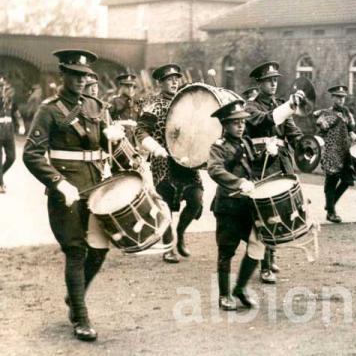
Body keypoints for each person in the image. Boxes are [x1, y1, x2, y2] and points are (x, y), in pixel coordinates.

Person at [22, 49, 125, 341]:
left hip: (96, 187)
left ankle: (74, 295)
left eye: (85, 76)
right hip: (66, 191)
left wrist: (113, 135)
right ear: (63, 75)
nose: (81, 80)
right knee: (76, 250)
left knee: (101, 247)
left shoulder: (94, 106)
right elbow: (31, 153)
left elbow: (106, 145)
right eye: (75, 75)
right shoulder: (50, 109)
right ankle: (80, 317)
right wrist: (57, 181)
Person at [134, 63, 203, 264]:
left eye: (176, 78)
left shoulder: (185, 103)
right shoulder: (152, 103)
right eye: (169, 79)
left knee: (196, 198)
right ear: (161, 82)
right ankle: (169, 244)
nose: (174, 82)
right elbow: (140, 131)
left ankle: (180, 234)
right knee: (165, 202)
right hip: (163, 160)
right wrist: (155, 148)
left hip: (186, 160)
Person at [245, 61, 304, 284]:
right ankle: (264, 265)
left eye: (275, 80)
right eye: (268, 81)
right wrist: (289, 105)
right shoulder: (250, 107)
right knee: (264, 213)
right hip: (262, 164)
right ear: (259, 83)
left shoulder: (280, 104)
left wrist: (304, 144)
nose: (273, 84)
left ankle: (271, 254)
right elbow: (267, 120)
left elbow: (292, 131)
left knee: (281, 208)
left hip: (281, 162)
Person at [207, 99, 266, 310]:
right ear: (225, 125)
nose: (241, 126)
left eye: (242, 121)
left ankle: (240, 288)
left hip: (249, 205)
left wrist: (268, 153)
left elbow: (254, 166)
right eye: (235, 122)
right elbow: (214, 170)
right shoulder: (218, 147)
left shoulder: (247, 142)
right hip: (229, 206)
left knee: (259, 245)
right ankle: (224, 295)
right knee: (227, 250)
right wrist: (239, 182)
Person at [315, 85, 356, 223]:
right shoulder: (327, 113)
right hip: (331, 152)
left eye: (343, 97)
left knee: (348, 180)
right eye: (338, 97)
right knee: (331, 181)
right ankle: (331, 212)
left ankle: (330, 204)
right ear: (333, 98)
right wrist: (321, 122)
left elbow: (351, 133)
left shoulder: (347, 113)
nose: (341, 100)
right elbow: (322, 125)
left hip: (344, 152)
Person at [0, 76, 25, 193]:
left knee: (11, 158)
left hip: (8, 131)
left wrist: (21, 124)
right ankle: (1, 184)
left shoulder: (10, 100)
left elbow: (16, 112)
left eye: (3, 85)